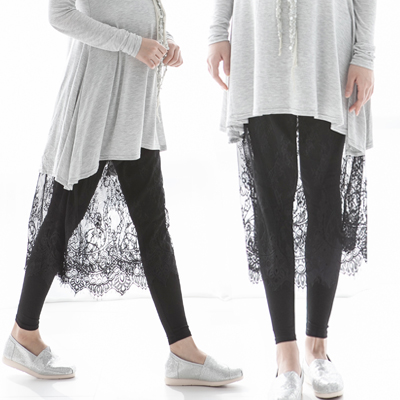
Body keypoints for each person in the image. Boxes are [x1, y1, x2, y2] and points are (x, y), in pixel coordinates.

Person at [2, 0, 243, 387]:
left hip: (135, 105)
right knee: (62, 219)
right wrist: (135, 44)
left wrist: (164, 41)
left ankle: (183, 351)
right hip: (97, 103)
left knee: (154, 229)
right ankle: (23, 334)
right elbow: (59, 14)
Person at [207, 0, 376, 398]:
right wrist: (217, 31)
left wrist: (365, 54)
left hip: (327, 46)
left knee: (325, 202)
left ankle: (317, 348)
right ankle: (286, 356)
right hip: (259, 44)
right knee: (271, 208)